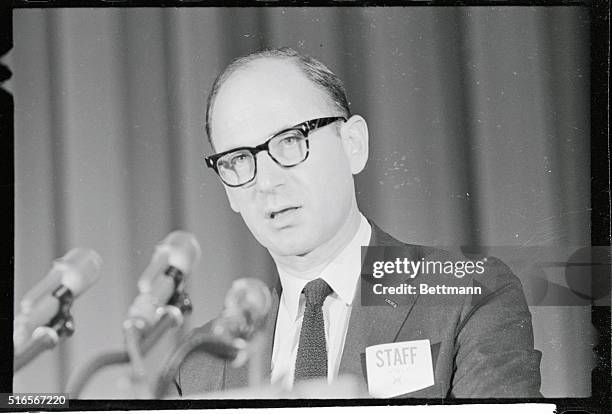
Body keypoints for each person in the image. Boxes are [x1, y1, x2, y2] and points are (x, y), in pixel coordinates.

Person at [172, 47, 542, 398]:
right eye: (237, 159)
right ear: (228, 191)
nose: (267, 182)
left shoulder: (468, 294)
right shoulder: (197, 366)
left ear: (353, 144)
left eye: (289, 141)